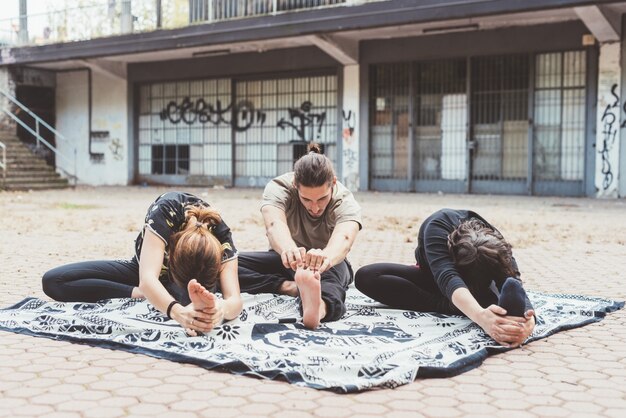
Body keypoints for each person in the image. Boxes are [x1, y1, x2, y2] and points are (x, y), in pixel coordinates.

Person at [42, 191, 243, 334]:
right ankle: (156, 295)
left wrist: (219, 310)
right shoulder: (166, 211)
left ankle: (182, 296)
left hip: (191, 288)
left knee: (196, 301)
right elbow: (147, 278)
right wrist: (178, 312)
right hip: (145, 271)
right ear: (171, 252)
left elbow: (235, 299)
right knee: (54, 280)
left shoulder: (221, 235)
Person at [355, 209, 535, 348]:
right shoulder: (437, 229)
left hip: (482, 284)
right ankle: (457, 305)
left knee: (508, 289)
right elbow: (448, 278)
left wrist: (529, 323)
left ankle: (482, 303)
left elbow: (513, 280)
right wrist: (481, 317)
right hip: (438, 281)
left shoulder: (494, 242)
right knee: (367, 276)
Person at [238, 143, 362, 329]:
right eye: (306, 199)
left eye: (322, 199)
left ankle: (318, 308)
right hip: (287, 260)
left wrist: (325, 258)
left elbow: (345, 238)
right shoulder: (279, 186)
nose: (315, 207)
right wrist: (289, 250)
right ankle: (291, 287)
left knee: (330, 281)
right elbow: (274, 224)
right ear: (295, 185)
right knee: (225, 264)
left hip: (327, 265)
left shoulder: (344, 199)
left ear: (333, 184)